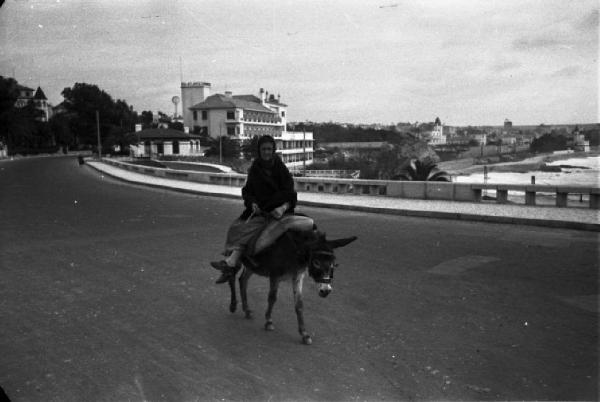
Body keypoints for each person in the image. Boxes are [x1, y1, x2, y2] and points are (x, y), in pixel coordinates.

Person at [211, 135, 297, 283]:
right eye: (264, 149)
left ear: (273, 150)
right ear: (259, 150)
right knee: (236, 227)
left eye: (269, 149)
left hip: (277, 211)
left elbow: (291, 193)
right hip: (259, 209)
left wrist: (282, 208)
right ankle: (232, 264)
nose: (266, 152)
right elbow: (247, 191)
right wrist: (252, 204)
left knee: (251, 229)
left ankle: (231, 264)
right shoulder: (255, 168)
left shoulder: (280, 168)